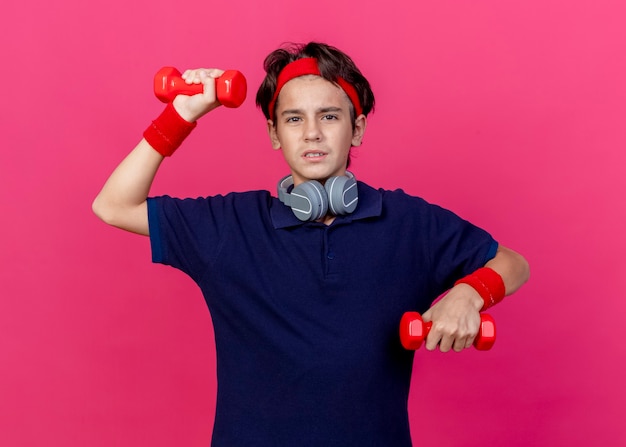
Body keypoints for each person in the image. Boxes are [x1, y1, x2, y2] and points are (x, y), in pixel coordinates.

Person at [93, 42, 529, 446]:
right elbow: (113, 205)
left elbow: (512, 263)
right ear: (274, 133)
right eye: (294, 118)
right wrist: (182, 114)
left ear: (356, 129)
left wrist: (470, 294)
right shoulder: (229, 225)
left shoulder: (408, 222)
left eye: (330, 116)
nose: (312, 133)